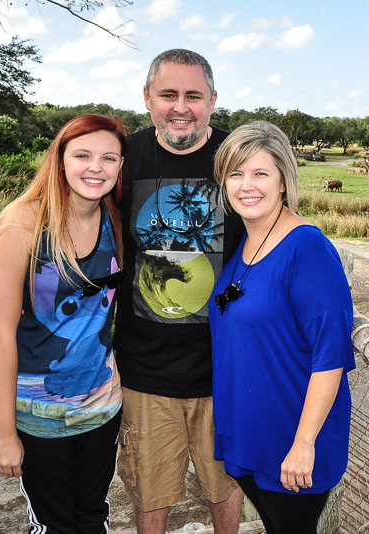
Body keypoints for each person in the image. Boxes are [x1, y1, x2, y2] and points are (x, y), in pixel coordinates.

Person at [112, 48, 245, 534]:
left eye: (194, 96)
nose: (181, 108)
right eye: (168, 94)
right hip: (145, 369)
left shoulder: (238, 157)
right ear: (147, 97)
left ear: (213, 99)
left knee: (226, 486)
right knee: (149, 490)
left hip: (226, 367)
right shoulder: (123, 158)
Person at [209, 121, 355, 534]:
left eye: (260, 173)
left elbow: (331, 355)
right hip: (248, 432)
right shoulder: (248, 240)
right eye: (235, 174)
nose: (246, 186)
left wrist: (304, 443)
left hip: (291, 440)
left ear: (283, 182)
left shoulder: (307, 249)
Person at [0, 114, 127, 533]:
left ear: (121, 165)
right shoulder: (21, 226)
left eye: (109, 158)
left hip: (101, 405)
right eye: (82, 155)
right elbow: (0, 336)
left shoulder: (112, 217)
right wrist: (4, 435)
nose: (95, 168)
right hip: (38, 415)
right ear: (60, 159)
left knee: (93, 517)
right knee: (54, 526)